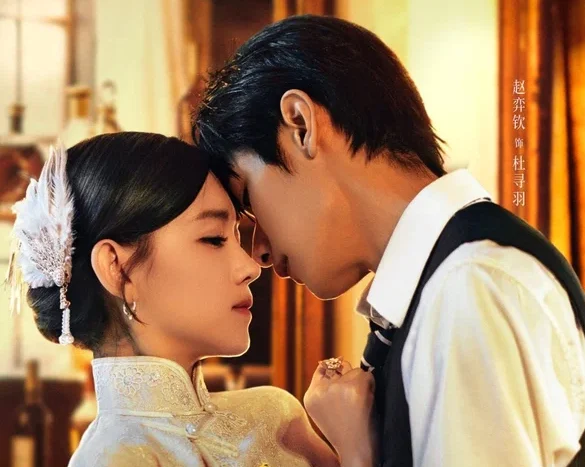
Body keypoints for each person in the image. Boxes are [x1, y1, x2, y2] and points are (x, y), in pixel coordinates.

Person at [194, 14, 585, 467]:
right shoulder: (449, 283)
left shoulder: (468, 285)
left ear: (301, 125)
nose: (259, 250)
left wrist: (358, 456)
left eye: (249, 199)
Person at [7, 132, 373, 467]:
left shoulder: (275, 417)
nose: (250, 267)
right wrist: (356, 448)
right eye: (214, 239)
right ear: (117, 268)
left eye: (236, 237)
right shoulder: (112, 458)